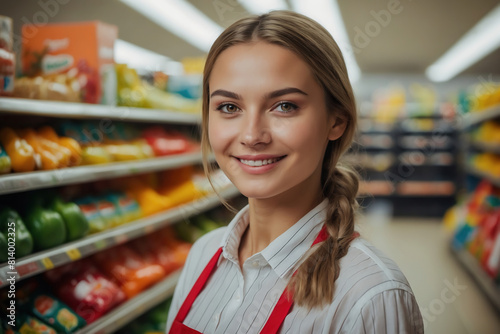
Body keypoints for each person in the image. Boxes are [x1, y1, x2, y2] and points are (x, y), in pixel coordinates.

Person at [166, 10, 423, 334]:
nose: (251, 135)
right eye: (229, 107)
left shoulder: (371, 296)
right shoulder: (203, 254)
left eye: (284, 106)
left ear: (336, 121)